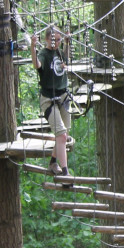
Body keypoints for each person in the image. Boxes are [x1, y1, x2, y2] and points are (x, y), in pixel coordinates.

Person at [30, 25, 71, 176]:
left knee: (64, 133)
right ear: (47, 39)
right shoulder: (44, 54)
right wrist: (33, 47)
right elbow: (36, 65)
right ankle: (65, 172)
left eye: (60, 40)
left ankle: (53, 162)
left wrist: (67, 42)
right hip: (49, 99)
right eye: (56, 40)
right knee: (61, 135)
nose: (58, 43)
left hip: (63, 96)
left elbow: (66, 59)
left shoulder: (59, 53)